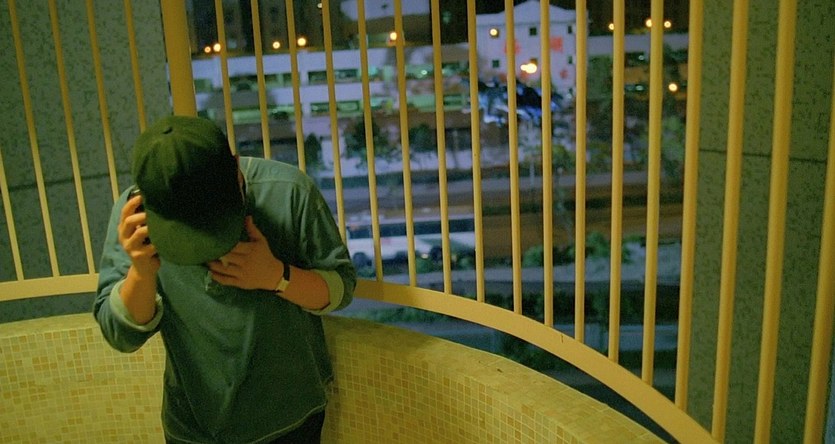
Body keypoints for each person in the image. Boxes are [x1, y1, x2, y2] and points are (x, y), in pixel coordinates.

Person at [94, 115, 356, 443]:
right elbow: (120, 336)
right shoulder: (135, 221)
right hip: (193, 426)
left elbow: (341, 288)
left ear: (236, 168)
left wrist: (278, 276)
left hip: (290, 416)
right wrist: (141, 272)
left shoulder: (288, 192)